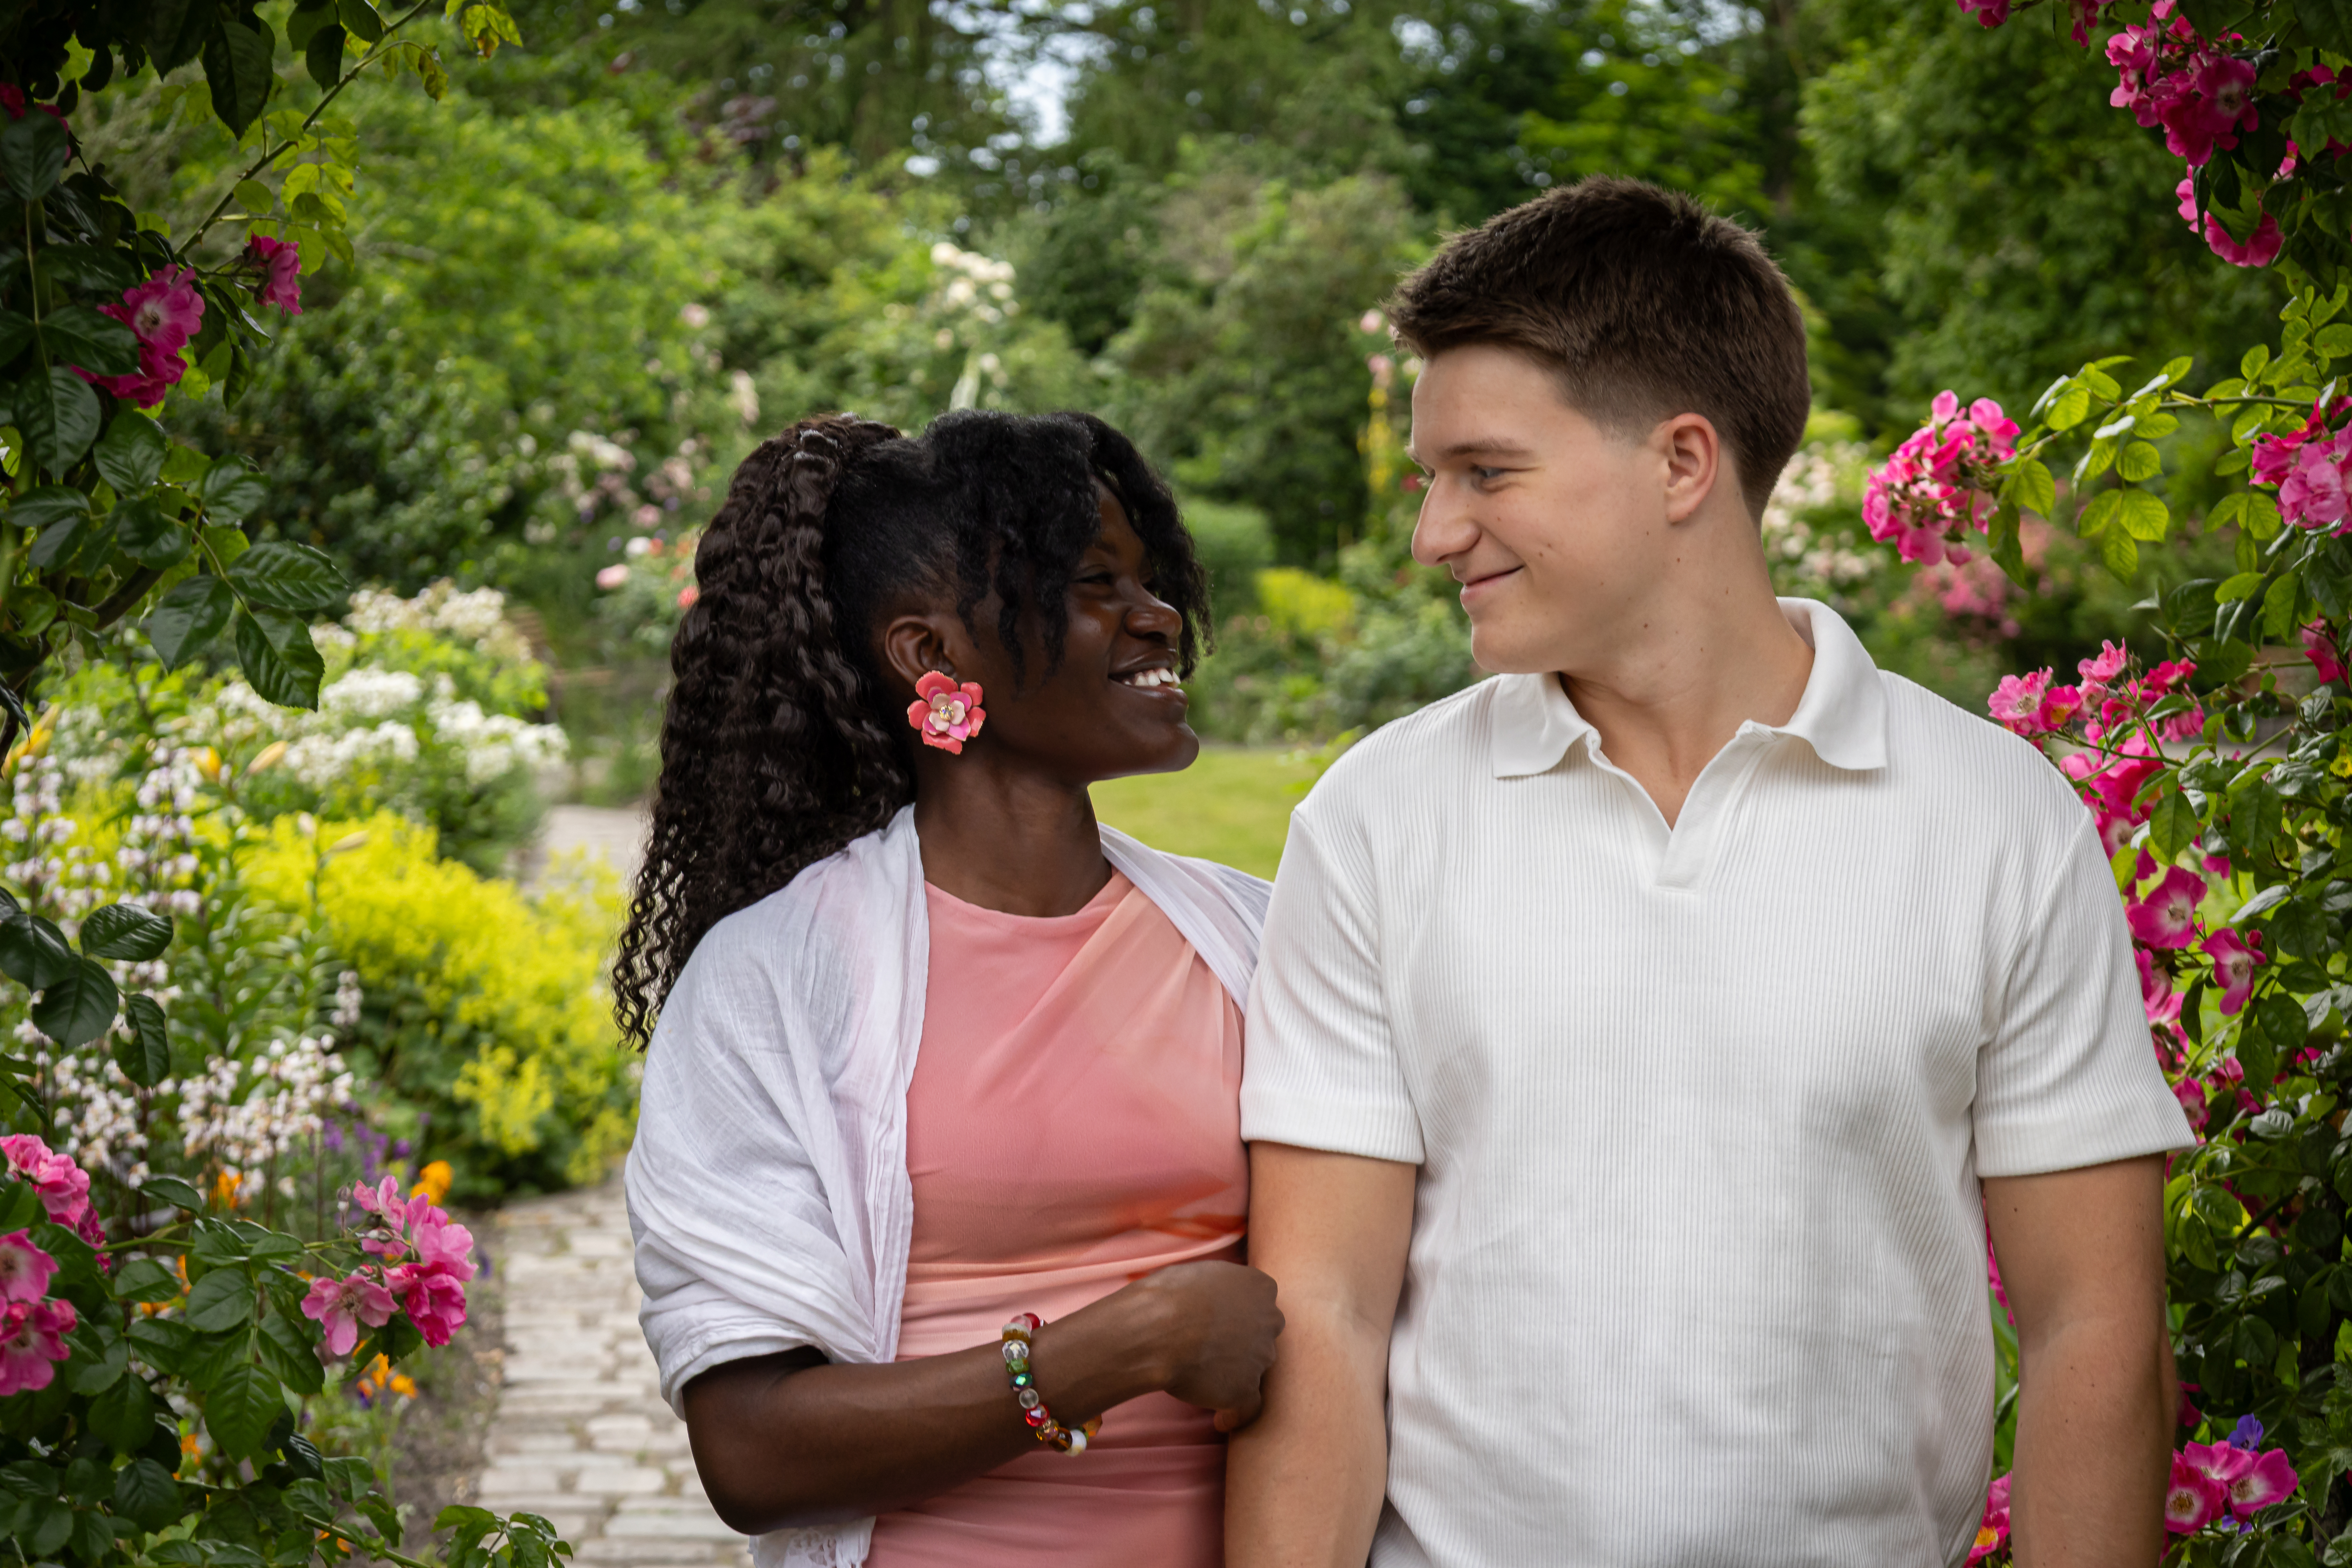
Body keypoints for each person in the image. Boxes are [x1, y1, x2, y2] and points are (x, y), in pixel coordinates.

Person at [1227, 178, 2195, 1567]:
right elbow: (1323, 1315)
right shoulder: (1374, 822)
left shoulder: (1999, 823)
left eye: (1486, 473)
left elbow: (2094, 1327)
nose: (1434, 533)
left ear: (1684, 464)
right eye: (1434, 479)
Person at [618, 409, 1284, 1568]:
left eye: (1148, 579)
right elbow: (753, 1454)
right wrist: (1127, 1345)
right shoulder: (774, 981)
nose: (1157, 615)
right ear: (931, 655)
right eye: (1094, 582)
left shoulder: (1256, 938)